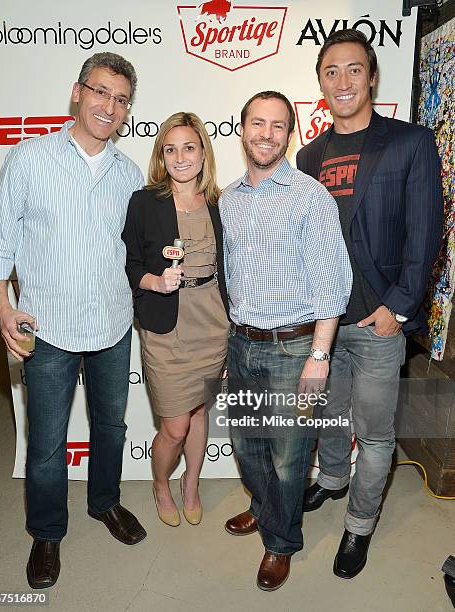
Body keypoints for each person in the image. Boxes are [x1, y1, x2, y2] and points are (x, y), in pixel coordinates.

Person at [0, 52, 147, 590]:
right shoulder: (29, 159)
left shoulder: (129, 173)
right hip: (46, 329)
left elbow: (133, 252)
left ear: (126, 111)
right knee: (47, 443)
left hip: (112, 324)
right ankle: (47, 531)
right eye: (100, 92)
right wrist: (3, 307)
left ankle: (105, 502)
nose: (109, 105)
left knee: (112, 427)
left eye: (120, 99)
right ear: (78, 93)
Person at [297, 29, 443, 579]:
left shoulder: (410, 142)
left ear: (372, 76)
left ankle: (358, 528)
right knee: (331, 415)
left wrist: (398, 308)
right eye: (331, 71)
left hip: (381, 322)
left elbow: (427, 232)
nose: (342, 80)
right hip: (326, 323)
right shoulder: (309, 156)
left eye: (353, 69)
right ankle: (333, 481)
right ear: (320, 83)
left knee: (377, 434)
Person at [219, 91, 352, 591]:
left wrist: (318, 357)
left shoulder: (309, 196)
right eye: (258, 123)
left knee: (288, 455)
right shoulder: (230, 199)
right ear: (242, 128)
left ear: (289, 133)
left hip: (294, 347)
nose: (266, 134)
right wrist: (233, 344)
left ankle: (280, 542)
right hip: (243, 342)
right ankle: (262, 507)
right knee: (247, 443)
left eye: (278, 126)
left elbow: (331, 284)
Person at [122, 112, 229, 527]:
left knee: (199, 413)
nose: (181, 158)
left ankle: (191, 484)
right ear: (161, 156)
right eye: (171, 149)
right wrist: (154, 280)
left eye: (189, 147)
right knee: (175, 426)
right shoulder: (145, 201)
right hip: (167, 328)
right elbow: (128, 264)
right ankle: (161, 484)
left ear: (204, 151)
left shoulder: (221, 202)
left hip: (213, 324)